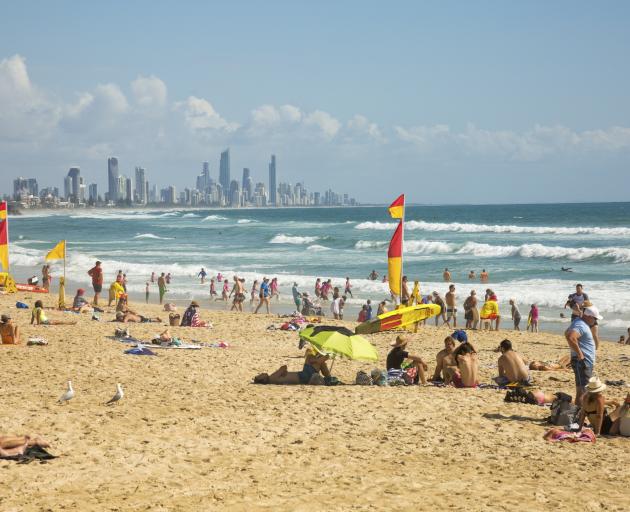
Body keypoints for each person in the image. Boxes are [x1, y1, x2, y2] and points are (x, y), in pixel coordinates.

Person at [565, 306, 600, 406]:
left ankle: (578, 415)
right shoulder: (581, 324)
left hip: (583, 362)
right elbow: (571, 337)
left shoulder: (579, 322)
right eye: (595, 318)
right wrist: (580, 354)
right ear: (588, 316)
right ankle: (578, 416)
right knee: (583, 392)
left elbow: (567, 334)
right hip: (582, 362)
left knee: (583, 390)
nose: (595, 321)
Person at [254, 348, 331, 385]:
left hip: (303, 378)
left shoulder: (272, 380)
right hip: (303, 376)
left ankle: (328, 376)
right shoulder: (272, 377)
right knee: (310, 357)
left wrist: (283, 372)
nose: (262, 373)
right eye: (260, 375)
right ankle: (326, 357)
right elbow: (283, 367)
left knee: (319, 363)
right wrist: (283, 371)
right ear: (262, 379)